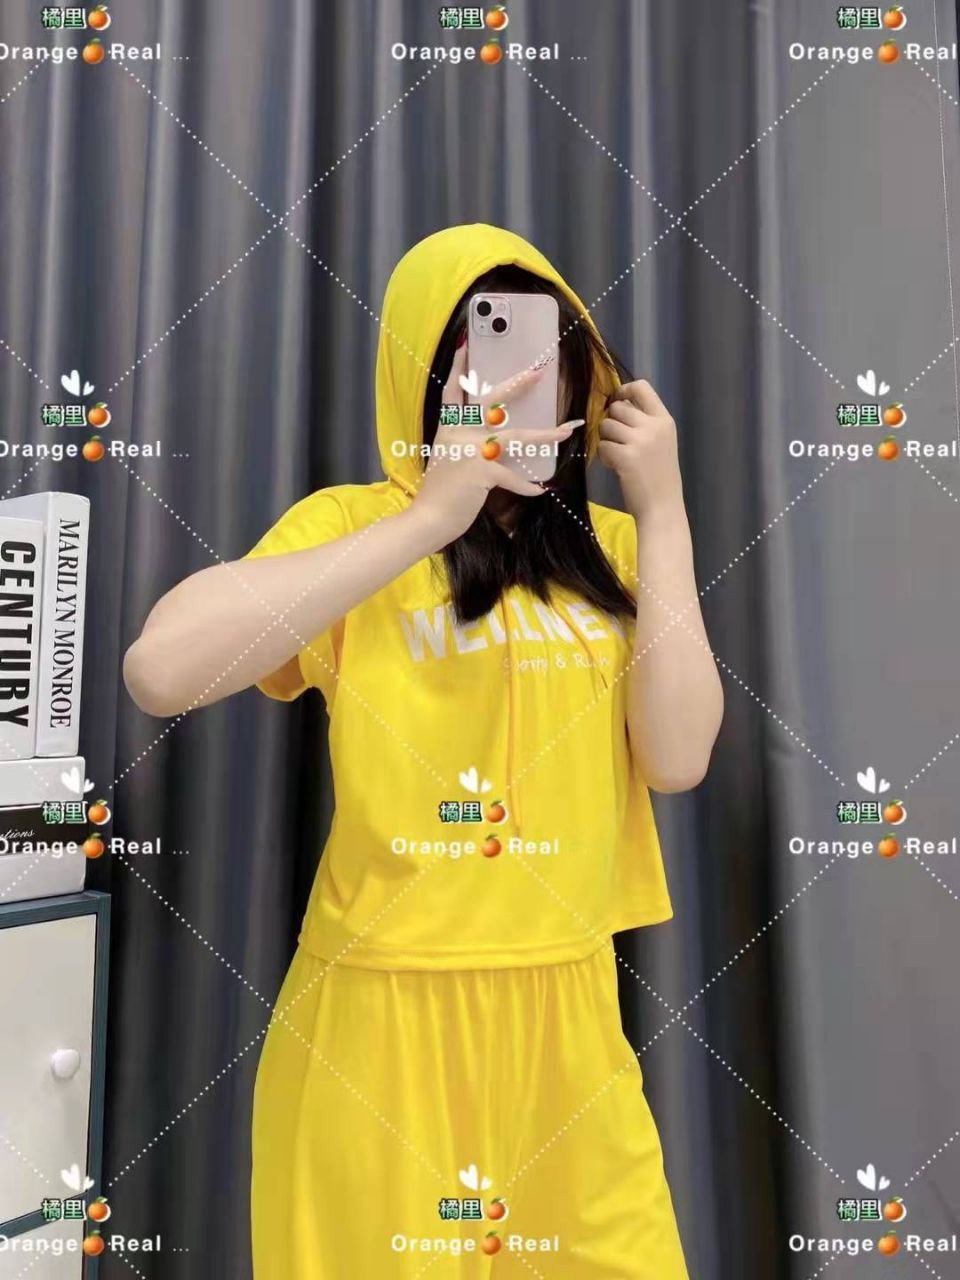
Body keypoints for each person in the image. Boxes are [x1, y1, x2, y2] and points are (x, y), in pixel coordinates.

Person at [123, 223, 723, 1278]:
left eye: (550, 355)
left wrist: (665, 511)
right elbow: (160, 671)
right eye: (486, 355)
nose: (525, 382)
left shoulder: (620, 552)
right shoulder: (355, 529)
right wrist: (430, 517)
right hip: (380, 1019)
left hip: (568, 1018)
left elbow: (677, 758)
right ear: (426, 378)